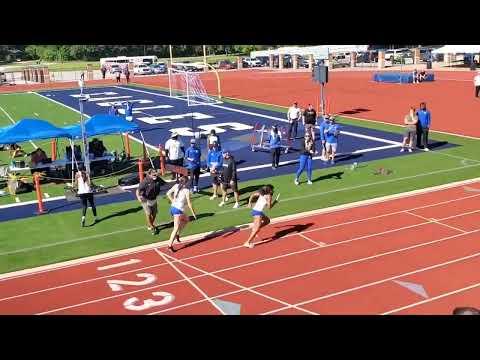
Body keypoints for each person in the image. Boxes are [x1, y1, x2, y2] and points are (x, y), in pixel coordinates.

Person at [166, 175, 197, 252]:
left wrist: (172, 200)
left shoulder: (176, 185)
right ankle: (169, 245)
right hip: (178, 210)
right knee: (175, 228)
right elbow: (189, 204)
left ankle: (178, 234)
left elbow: (168, 193)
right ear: (186, 182)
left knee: (186, 220)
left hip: (174, 208)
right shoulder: (186, 190)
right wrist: (193, 213)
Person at [136, 168, 162, 235]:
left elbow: (165, 184)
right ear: (149, 174)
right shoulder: (145, 181)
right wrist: (138, 197)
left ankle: (150, 224)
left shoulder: (158, 179)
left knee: (154, 213)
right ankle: (152, 227)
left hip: (154, 199)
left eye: (155, 174)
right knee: (149, 213)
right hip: (145, 199)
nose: (155, 175)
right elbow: (138, 190)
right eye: (153, 174)